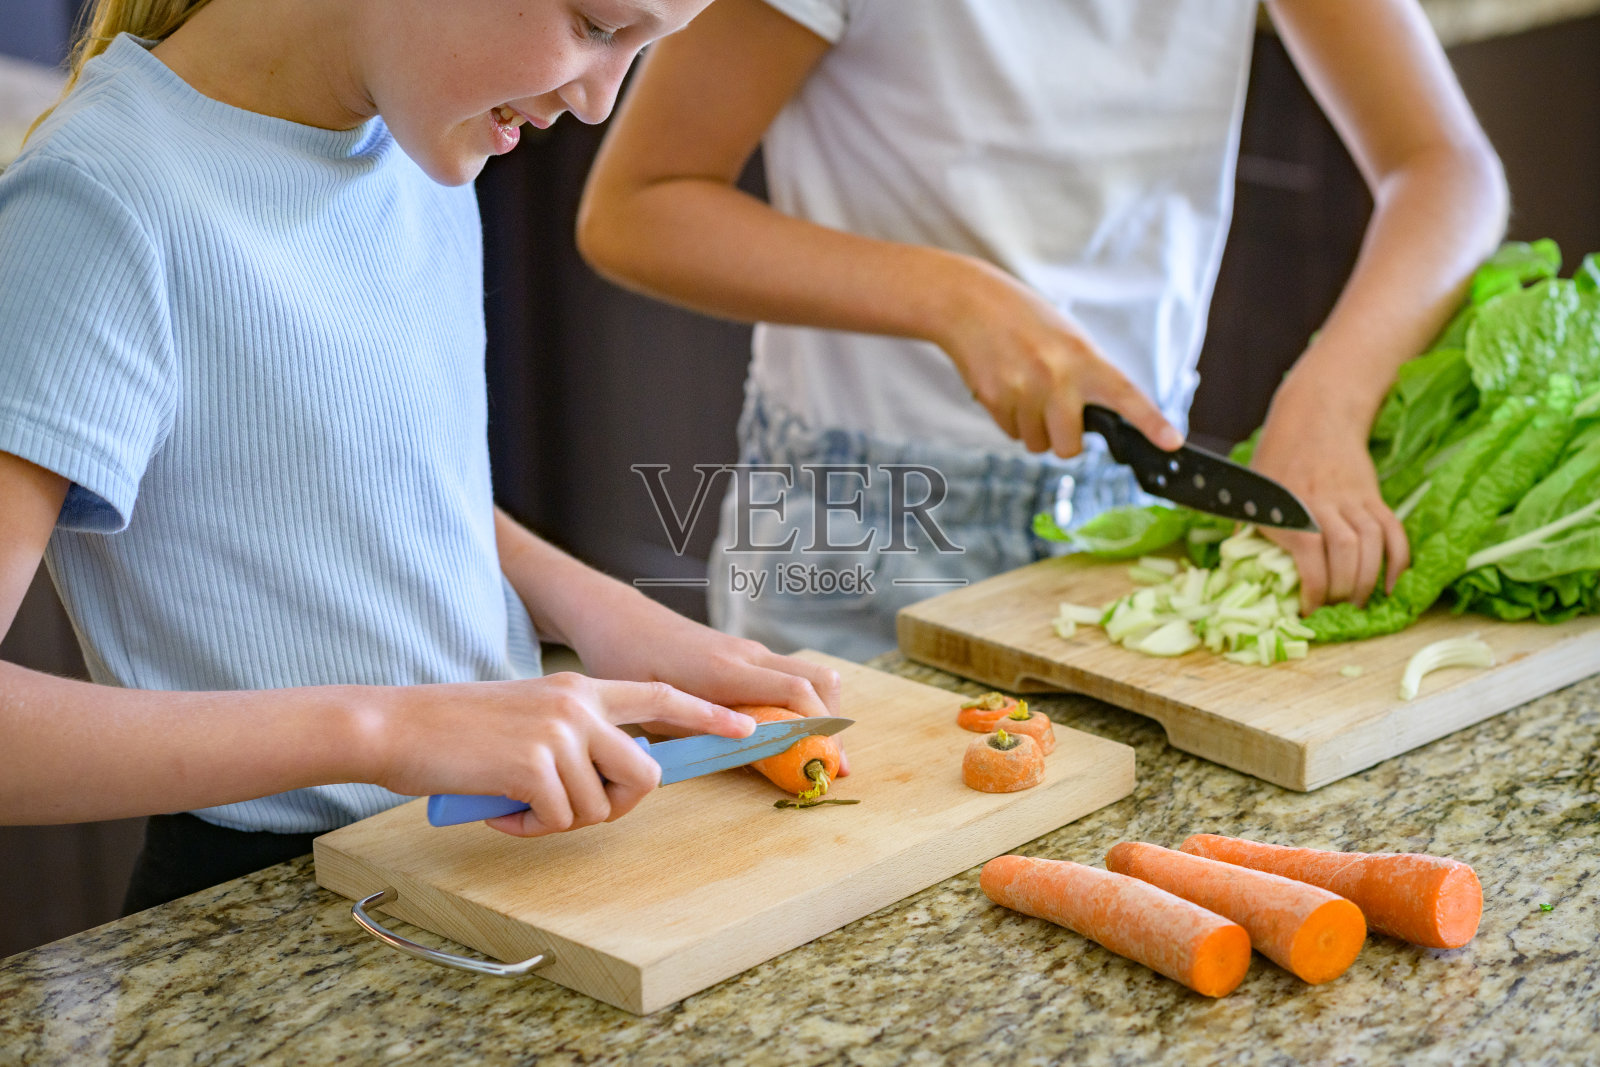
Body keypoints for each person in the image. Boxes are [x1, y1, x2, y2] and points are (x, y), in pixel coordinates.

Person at [0, 0, 842, 914]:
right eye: (598, 26)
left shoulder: (417, 132)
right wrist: (385, 729)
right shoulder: (97, 205)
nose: (601, 101)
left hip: (481, 860)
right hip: (273, 900)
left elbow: (368, 479)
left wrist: (602, 612)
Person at [577, 0, 1509, 661]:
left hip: (1129, 520)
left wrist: (1326, 402)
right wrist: (953, 298)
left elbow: (1446, 167)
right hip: (863, 533)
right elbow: (637, 207)